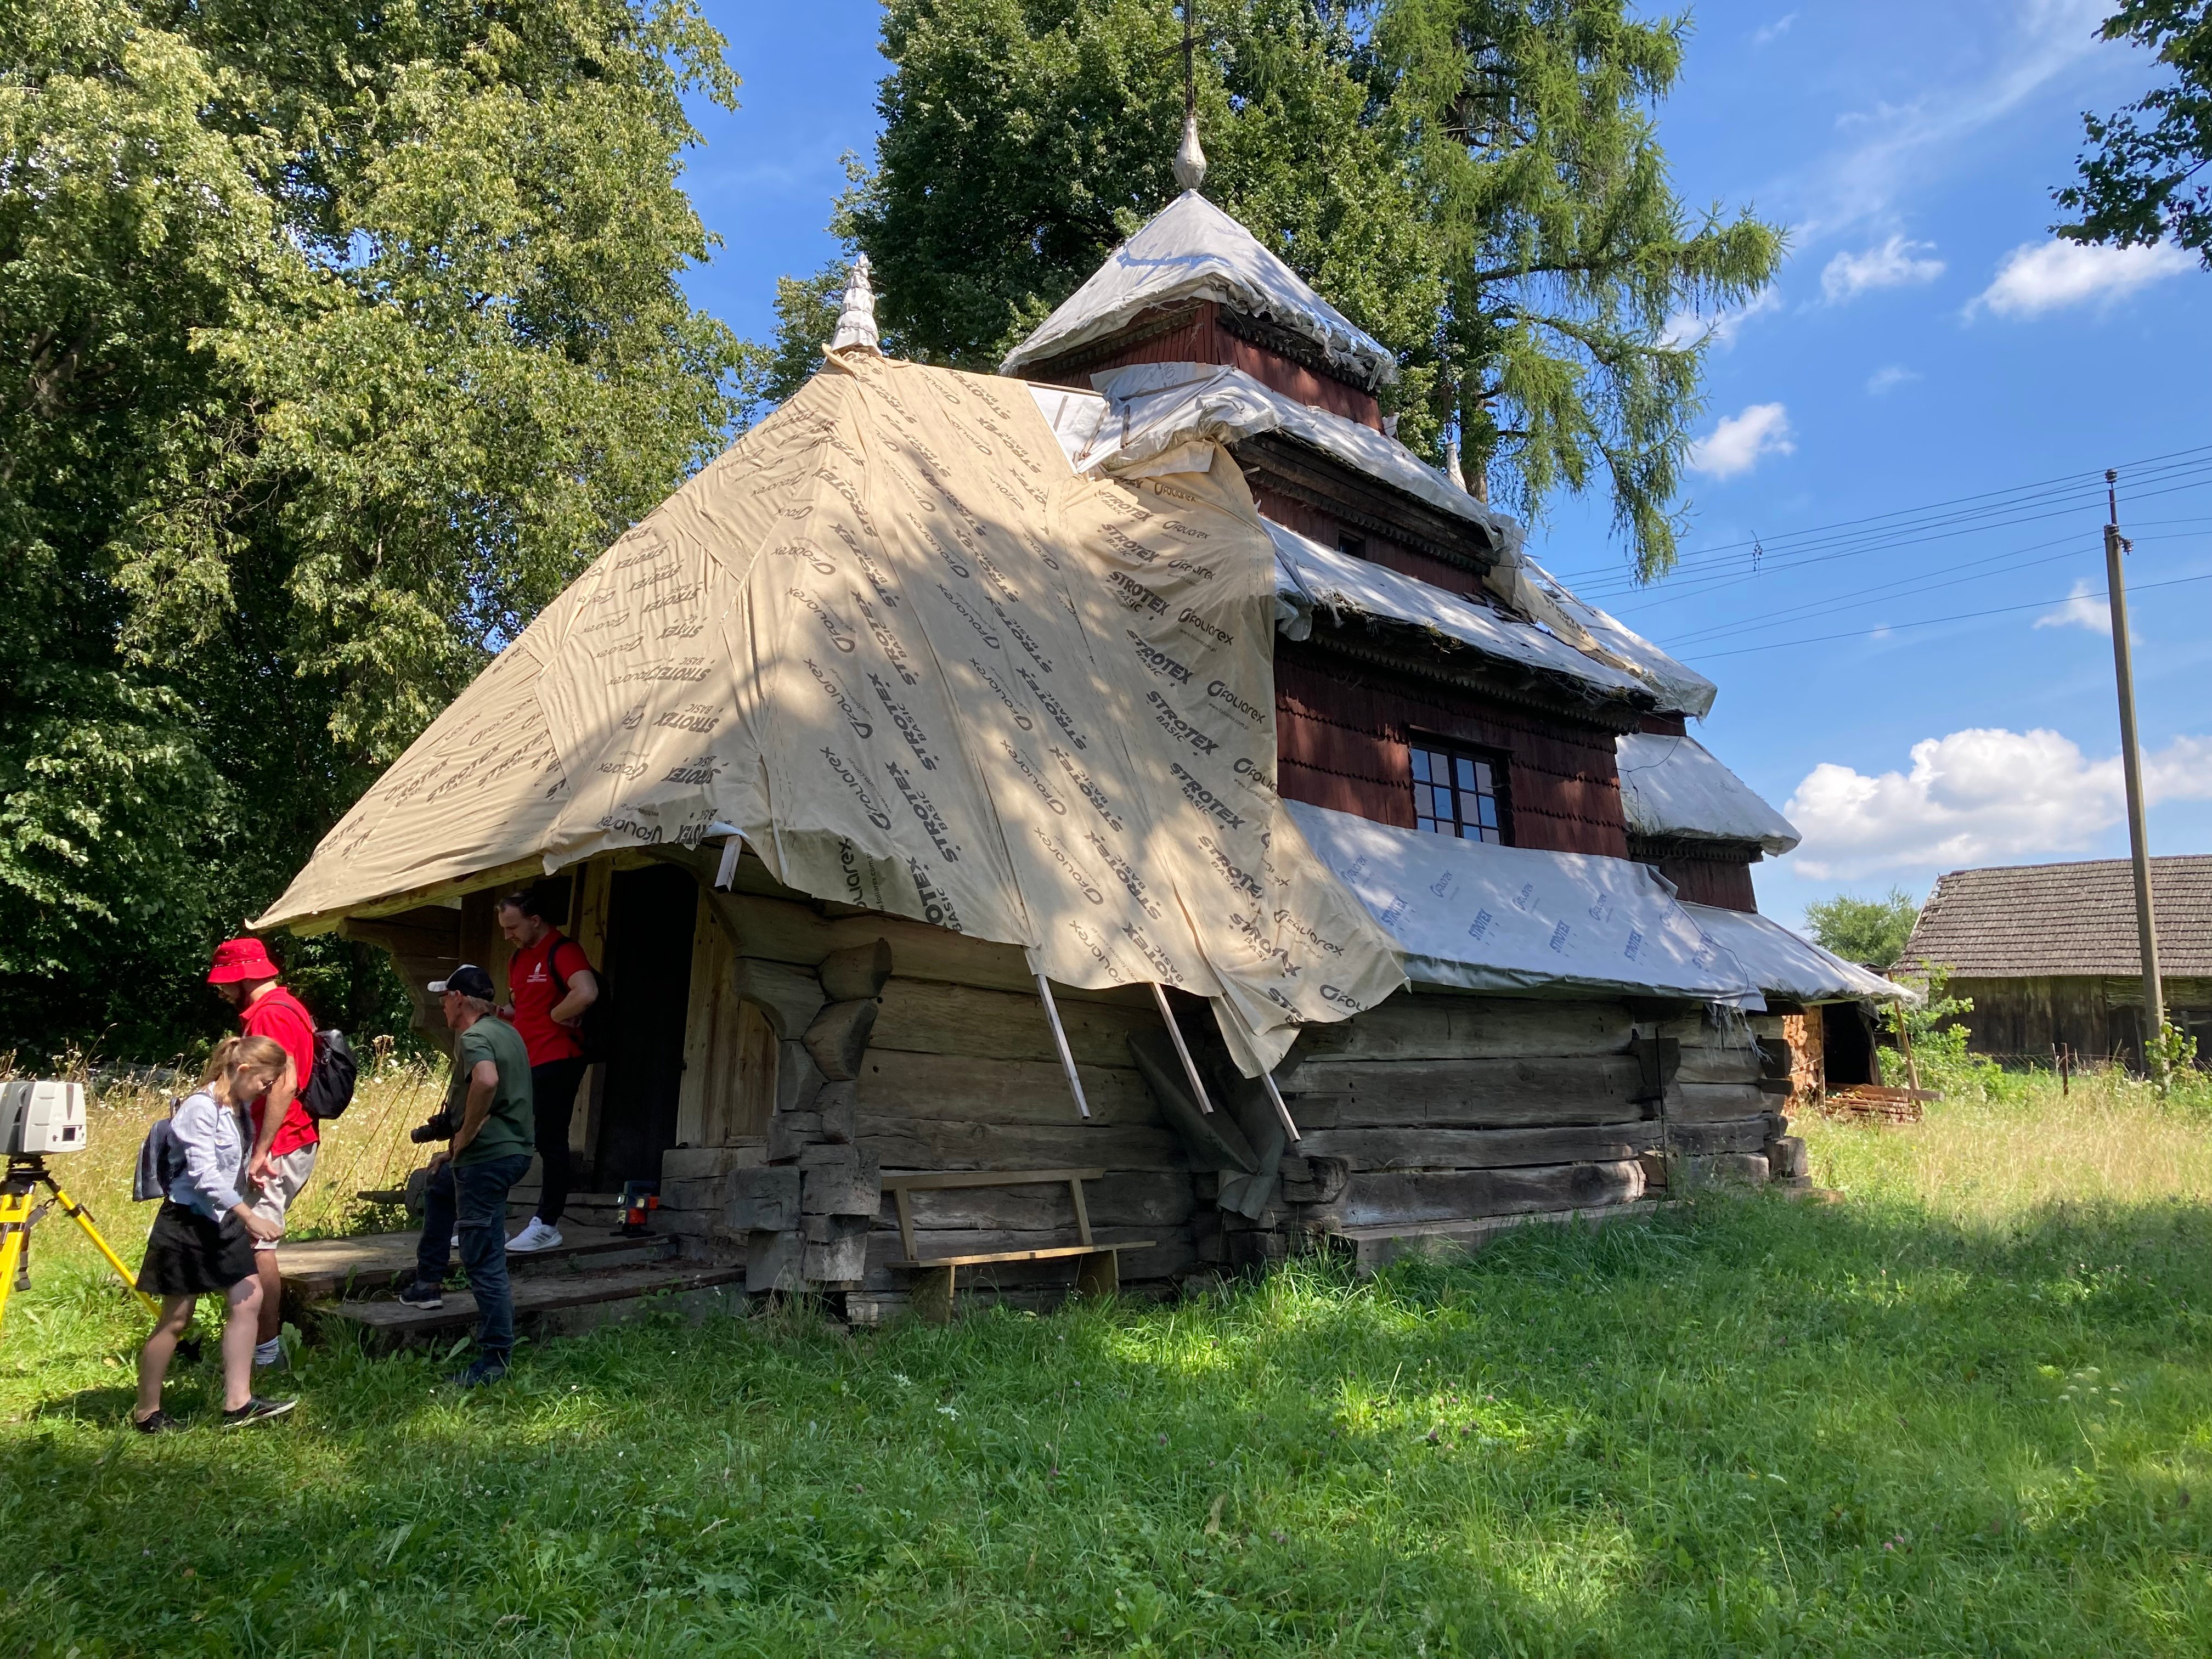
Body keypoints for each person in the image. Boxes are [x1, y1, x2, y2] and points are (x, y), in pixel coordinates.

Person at [133, 1035, 297, 1431]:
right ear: (243, 1071)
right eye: (264, 1083)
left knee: (248, 1298)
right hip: (187, 1224)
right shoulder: (199, 1108)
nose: (264, 1092)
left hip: (219, 1221)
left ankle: (238, 1404)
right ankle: (146, 1412)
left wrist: (252, 1171)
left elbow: (224, 1168)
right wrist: (249, 1216)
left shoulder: (236, 1107)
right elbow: (203, 1175)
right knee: (177, 1318)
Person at [397, 965, 535, 1387]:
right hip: (514, 1151)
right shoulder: (507, 1033)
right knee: (439, 1187)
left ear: (459, 998)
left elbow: (487, 1081)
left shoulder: (475, 1038)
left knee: (482, 1259)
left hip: (487, 1158)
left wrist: (468, 1133)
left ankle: (494, 1360)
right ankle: (428, 1283)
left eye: (444, 997)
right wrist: (453, 1148)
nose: (440, 1004)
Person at [206, 936, 318, 1371]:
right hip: (285, 1139)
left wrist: (261, 1150)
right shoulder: (285, 1006)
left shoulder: (271, 1015)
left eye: (225, 981)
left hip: (282, 1141)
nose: (221, 989)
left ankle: (266, 1349)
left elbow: (284, 1085)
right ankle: (260, 1343)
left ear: (243, 975)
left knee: (259, 1243)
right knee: (256, 1241)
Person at [494, 888, 598, 1252]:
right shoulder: (519, 959)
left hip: (558, 1058)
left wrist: (556, 1016)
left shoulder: (562, 950)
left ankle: (547, 1223)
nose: (508, 935)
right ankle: (492, 1220)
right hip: (526, 1060)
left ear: (535, 920)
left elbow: (586, 992)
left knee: (550, 1139)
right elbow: (522, 1010)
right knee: (511, 1133)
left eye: (513, 927)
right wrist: (497, 1013)